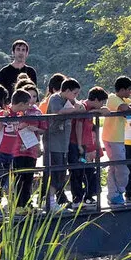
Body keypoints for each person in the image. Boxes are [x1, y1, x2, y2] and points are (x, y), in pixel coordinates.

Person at [42, 78, 86, 212]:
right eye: (75, 93)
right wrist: (74, 109)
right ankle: (49, 201)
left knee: (61, 172)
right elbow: (60, 112)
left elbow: (82, 108)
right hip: (53, 141)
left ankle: (52, 200)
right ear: (66, 91)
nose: (76, 96)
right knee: (55, 172)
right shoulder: (55, 98)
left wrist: (76, 106)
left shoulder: (70, 100)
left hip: (63, 143)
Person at [0, 89, 44, 210]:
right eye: (27, 104)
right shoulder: (5, 112)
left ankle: (23, 204)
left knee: (22, 178)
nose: (29, 106)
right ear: (22, 104)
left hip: (16, 152)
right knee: (0, 179)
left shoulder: (20, 115)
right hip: (2, 151)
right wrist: (2, 119)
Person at [70, 86, 108, 207]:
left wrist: (97, 111)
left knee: (87, 170)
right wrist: (80, 145)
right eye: (101, 102)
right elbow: (78, 126)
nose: (102, 104)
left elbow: (105, 111)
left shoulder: (90, 109)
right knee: (77, 171)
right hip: (76, 145)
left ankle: (87, 196)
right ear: (96, 100)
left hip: (84, 145)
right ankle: (77, 199)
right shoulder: (83, 107)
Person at [102, 76, 131, 208]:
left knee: (114, 167)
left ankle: (113, 194)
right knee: (122, 168)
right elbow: (125, 108)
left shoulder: (120, 99)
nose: (130, 93)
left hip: (116, 138)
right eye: (128, 90)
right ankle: (119, 190)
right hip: (113, 138)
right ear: (122, 89)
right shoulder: (113, 98)